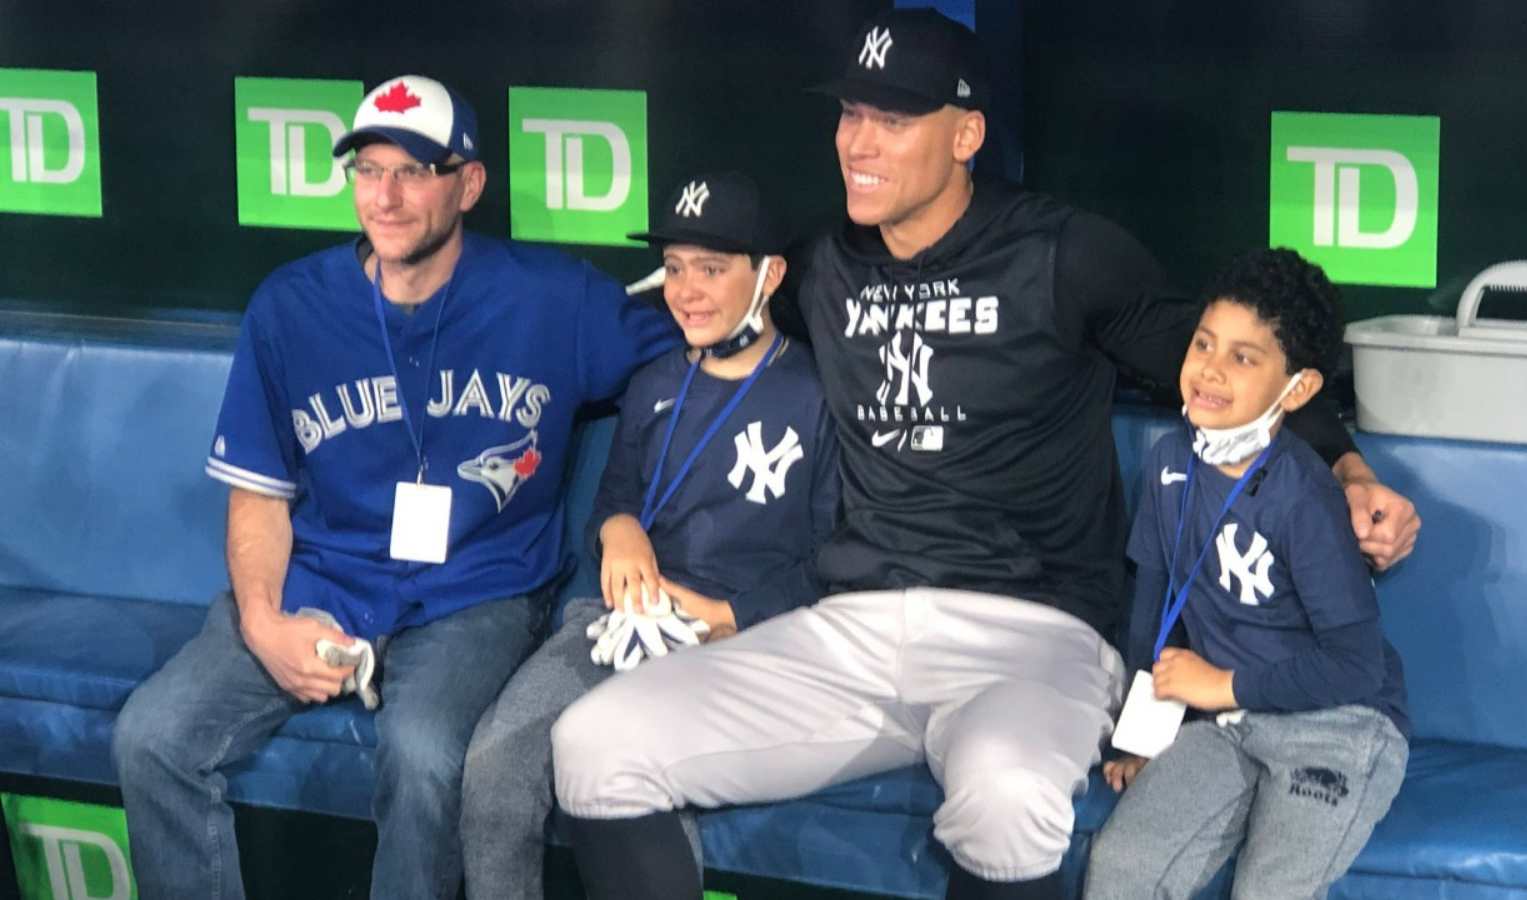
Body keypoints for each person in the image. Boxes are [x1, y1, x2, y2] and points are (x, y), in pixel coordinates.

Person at [552, 10, 1422, 900]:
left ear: (966, 134)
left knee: (1008, 795)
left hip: (1032, 631)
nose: (859, 141)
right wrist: (620, 513)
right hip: (851, 624)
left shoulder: (1060, 252)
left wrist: (1351, 474)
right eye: (851, 114)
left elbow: (1223, 373)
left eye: (893, 120)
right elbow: (696, 331)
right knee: (595, 744)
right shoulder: (818, 266)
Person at [110, 74, 676, 900]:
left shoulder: (554, 300)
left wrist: (623, 508)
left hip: (475, 593)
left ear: (469, 183)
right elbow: (259, 495)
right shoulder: (290, 308)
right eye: (369, 170)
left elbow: (696, 339)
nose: (387, 195)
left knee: (424, 758)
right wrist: (266, 625)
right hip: (326, 582)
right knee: (150, 737)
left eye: (415, 171)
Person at [459, 171, 840, 899]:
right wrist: (621, 528)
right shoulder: (656, 379)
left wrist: (730, 616)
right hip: (621, 625)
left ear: (770, 275)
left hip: (744, 642)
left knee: (639, 783)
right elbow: (615, 495)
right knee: (496, 768)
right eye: (672, 268)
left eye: (712, 268)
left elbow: (839, 561)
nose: (686, 290)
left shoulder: (818, 395)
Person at [1083, 247, 1410, 899]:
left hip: (1338, 725)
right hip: (1226, 723)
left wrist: (1223, 685)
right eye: (1204, 344)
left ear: (1300, 389)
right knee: (1120, 869)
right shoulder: (1170, 463)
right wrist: (1144, 733)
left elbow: (1355, 668)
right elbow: (1153, 605)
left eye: (1243, 357)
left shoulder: (1306, 498)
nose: (1209, 369)